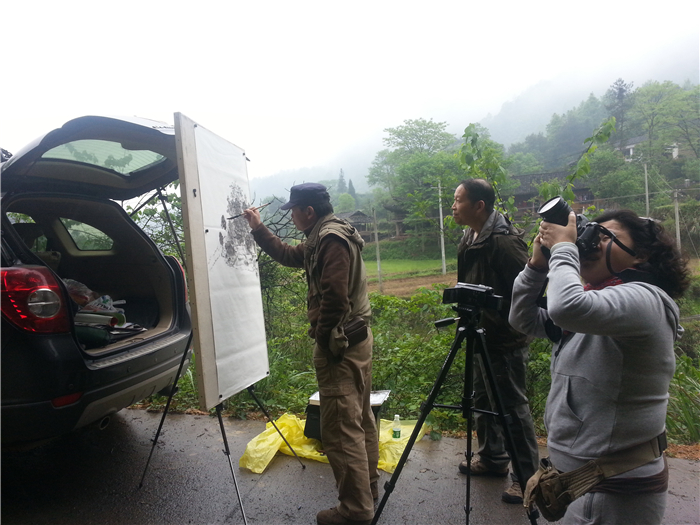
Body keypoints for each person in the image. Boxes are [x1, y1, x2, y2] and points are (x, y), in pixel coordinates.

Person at [509, 209, 689, 524]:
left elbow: (565, 307)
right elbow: (522, 319)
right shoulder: (599, 302)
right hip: (581, 480)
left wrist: (564, 248)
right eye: (590, 235)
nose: (591, 243)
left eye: (606, 237)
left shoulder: (645, 300)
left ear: (641, 255)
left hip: (613, 488)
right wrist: (537, 265)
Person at [243, 183, 378, 525]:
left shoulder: (330, 239)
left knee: (339, 428)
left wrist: (322, 337)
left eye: (293, 209)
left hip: (341, 344)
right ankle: (368, 489)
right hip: (355, 338)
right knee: (359, 416)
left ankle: (355, 510)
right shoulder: (328, 233)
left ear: (308, 212)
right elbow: (291, 255)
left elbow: (335, 297)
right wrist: (259, 228)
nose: (291, 214)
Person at [451, 178, 539, 504]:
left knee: (512, 408)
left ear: (479, 206)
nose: (453, 206)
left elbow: (528, 291)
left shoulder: (503, 242)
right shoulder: (469, 236)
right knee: (483, 399)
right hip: (479, 331)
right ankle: (492, 458)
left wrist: (499, 311)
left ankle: (528, 478)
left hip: (505, 338)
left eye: (458, 200)